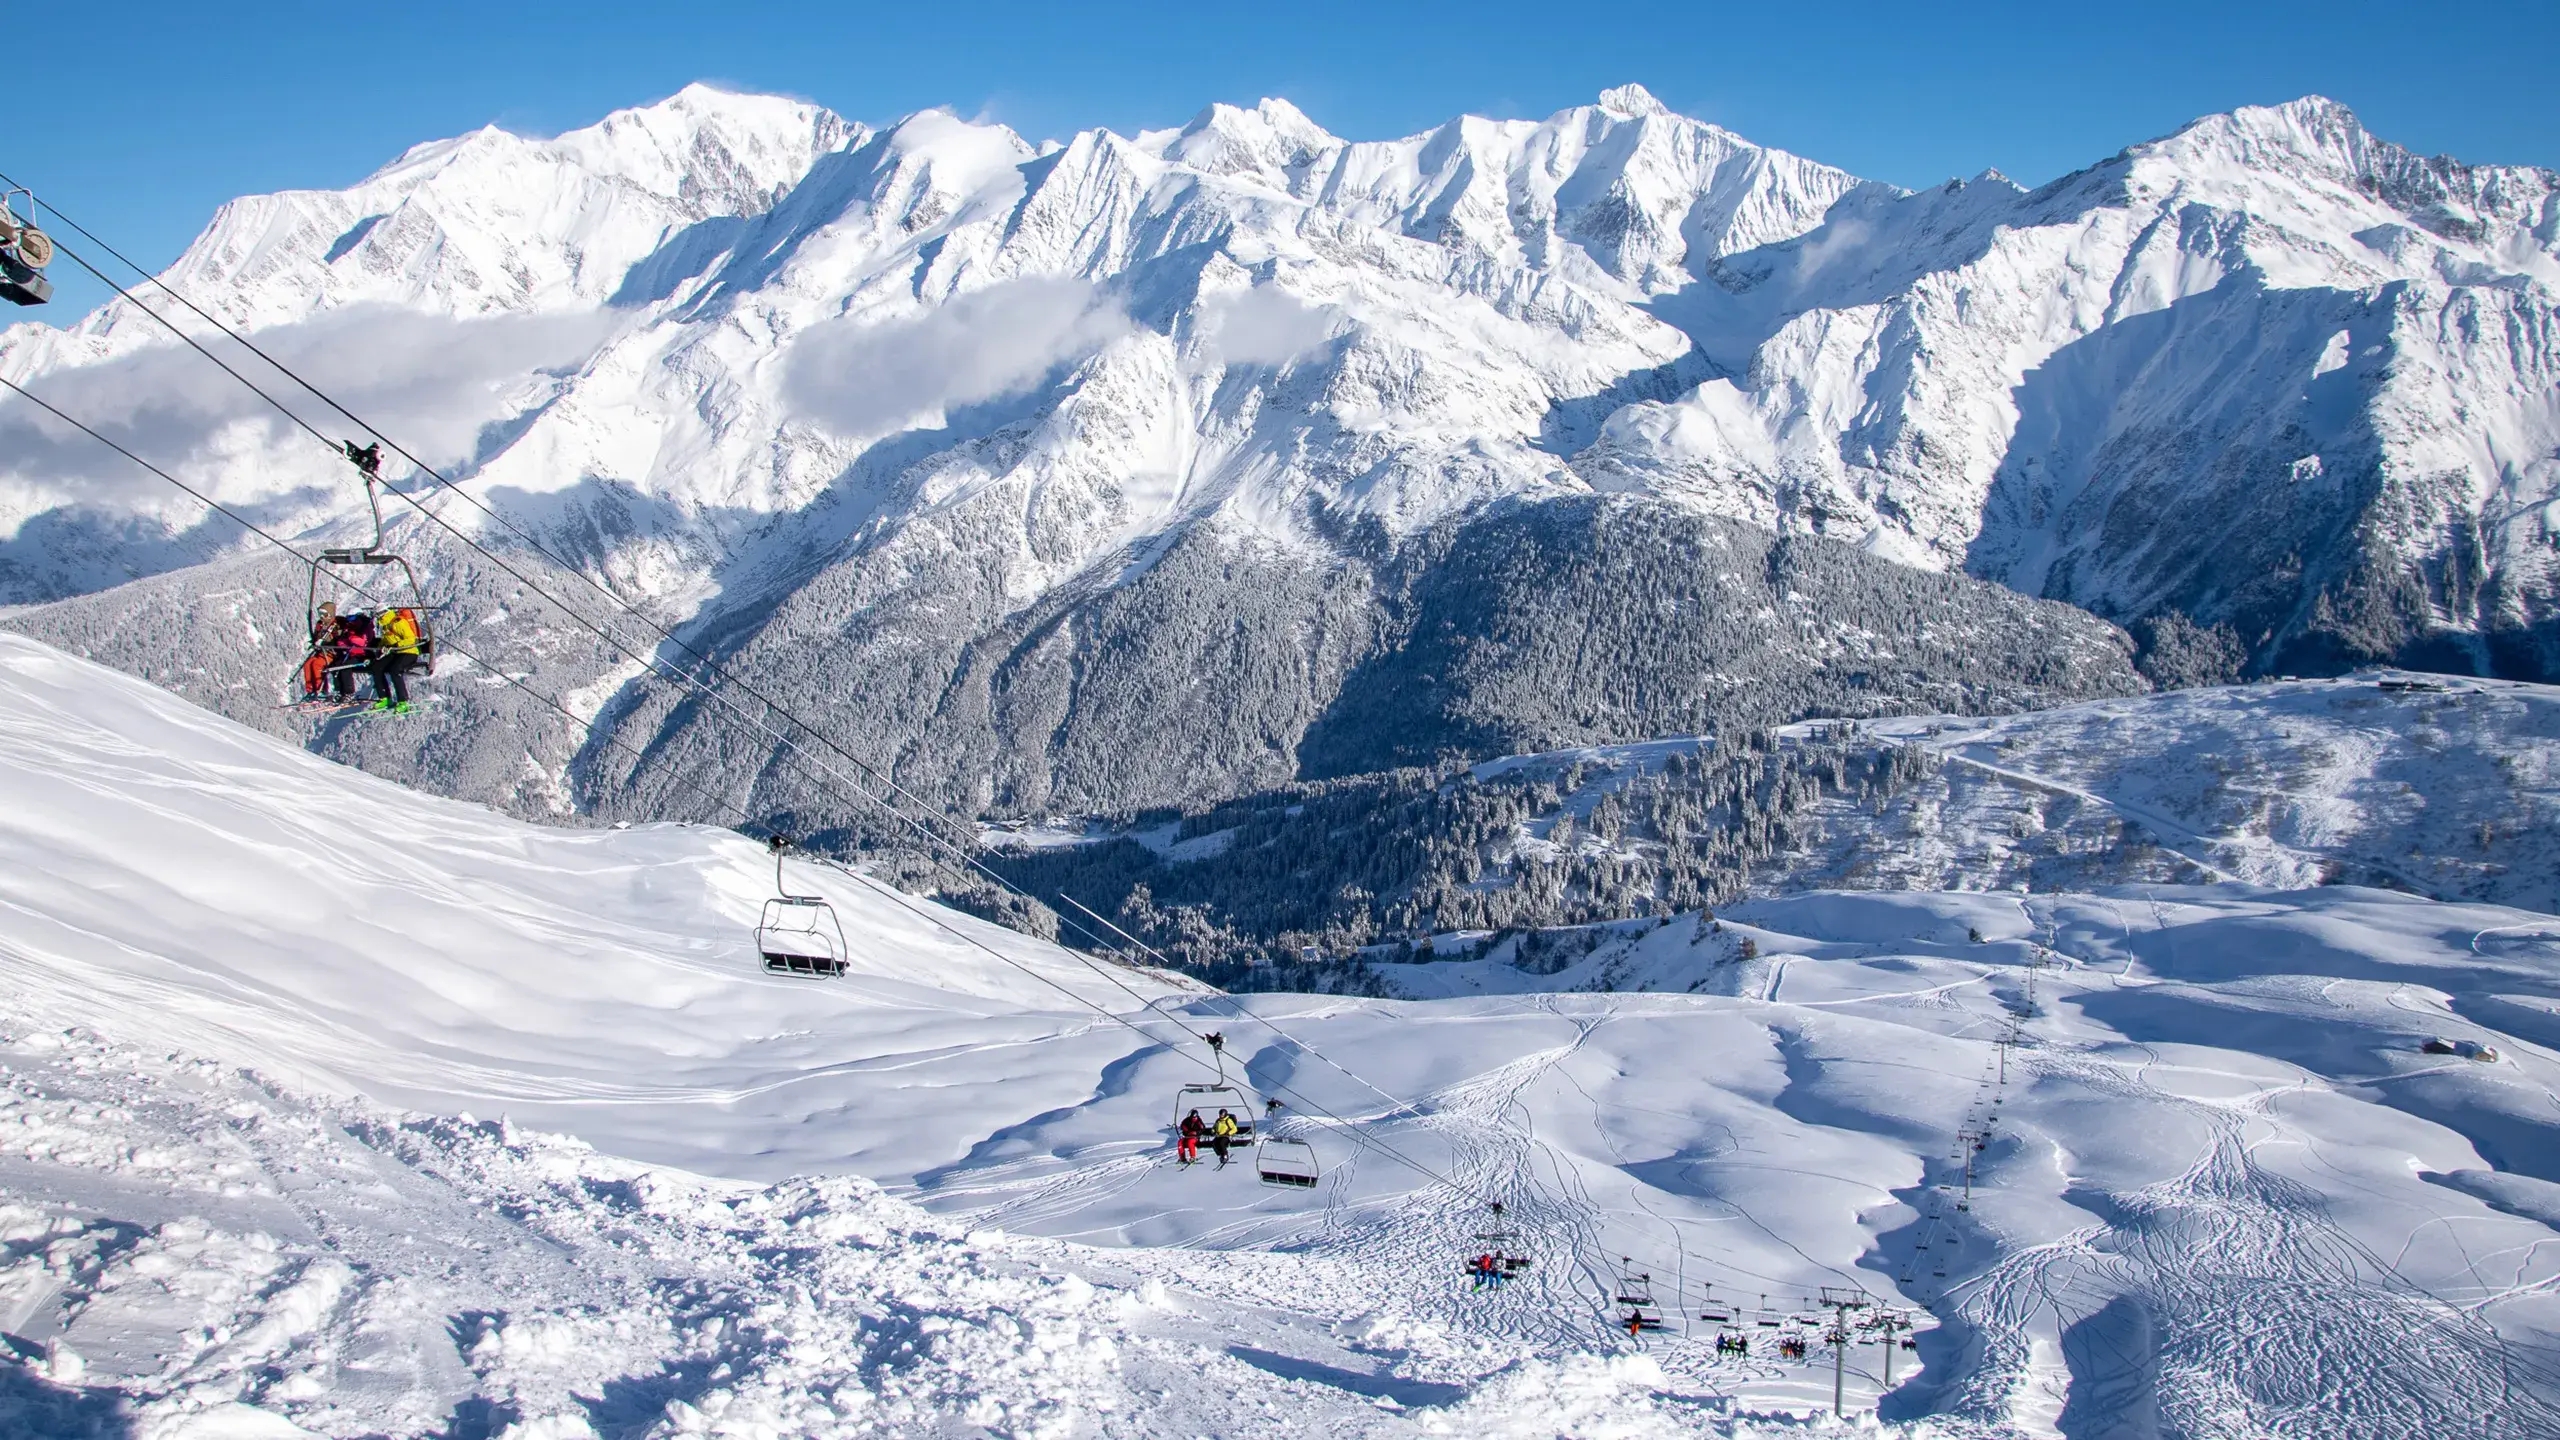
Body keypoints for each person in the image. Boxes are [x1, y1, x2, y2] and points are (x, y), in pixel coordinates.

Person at [370, 606, 423, 713]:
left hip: (409, 652)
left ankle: (403, 701)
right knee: (376, 668)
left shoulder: (398, 622)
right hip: (396, 653)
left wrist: (397, 645)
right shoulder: (385, 625)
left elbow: (410, 639)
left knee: (395, 670)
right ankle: (384, 697)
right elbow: (387, 640)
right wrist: (382, 647)